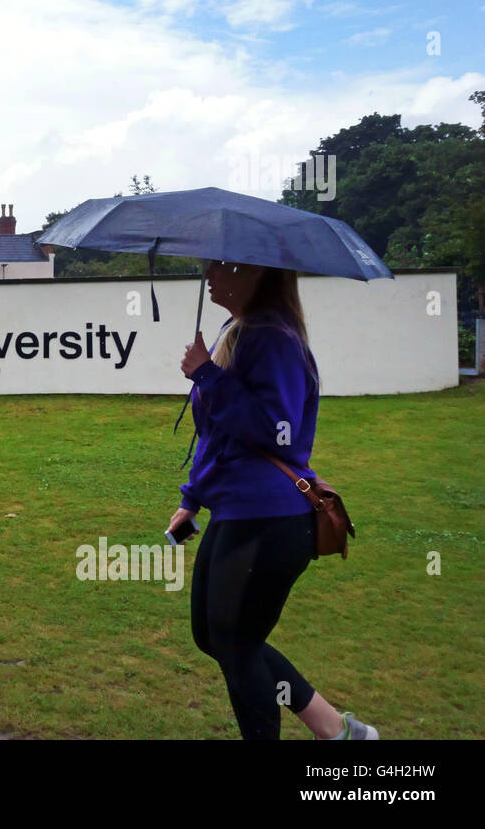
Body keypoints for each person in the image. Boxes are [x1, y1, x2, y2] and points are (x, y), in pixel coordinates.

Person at [168, 259, 377, 740]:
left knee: (235, 644)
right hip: (238, 511)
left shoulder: (275, 340)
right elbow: (219, 434)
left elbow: (276, 432)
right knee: (213, 636)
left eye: (219, 267)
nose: (209, 276)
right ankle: (338, 730)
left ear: (255, 275)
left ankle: (331, 732)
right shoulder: (236, 330)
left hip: (270, 518)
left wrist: (207, 375)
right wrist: (192, 498)